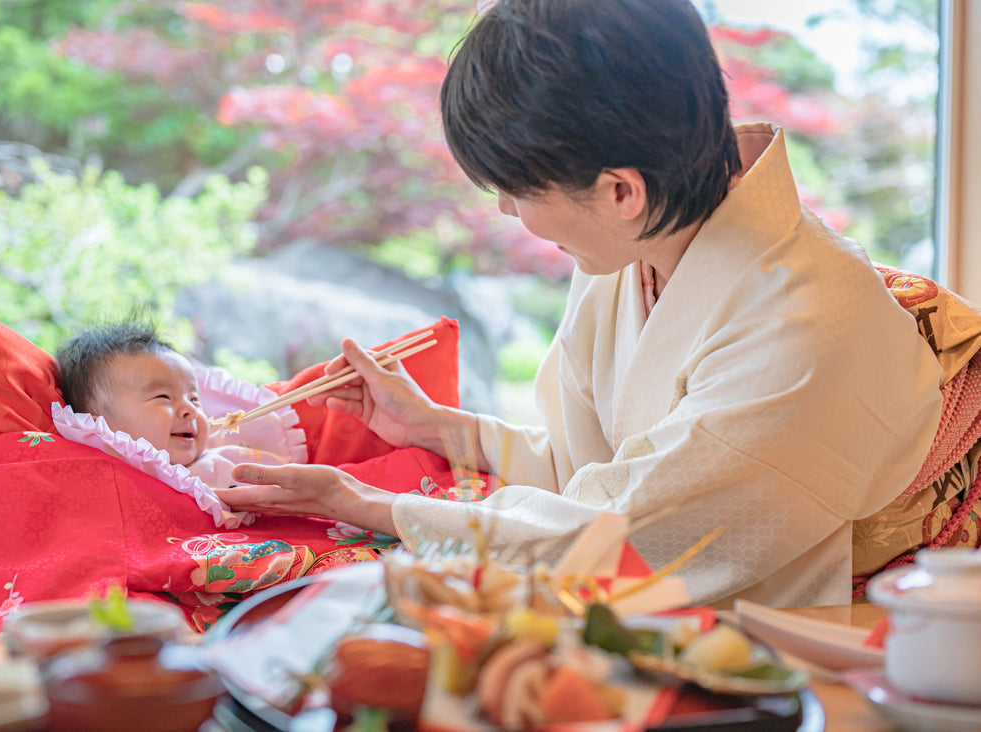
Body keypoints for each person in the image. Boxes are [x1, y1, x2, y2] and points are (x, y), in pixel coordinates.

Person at [219, 0, 944, 607]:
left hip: (854, 644)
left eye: (519, 191)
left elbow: (621, 535)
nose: (505, 210)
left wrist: (364, 504)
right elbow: (596, 469)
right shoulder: (642, 237)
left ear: (620, 190)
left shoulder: (803, 330)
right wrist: (442, 428)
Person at [55, 320, 290, 494]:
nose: (190, 410)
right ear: (100, 423)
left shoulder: (219, 465)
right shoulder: (92, 480)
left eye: (194, 399)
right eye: (163, 397)